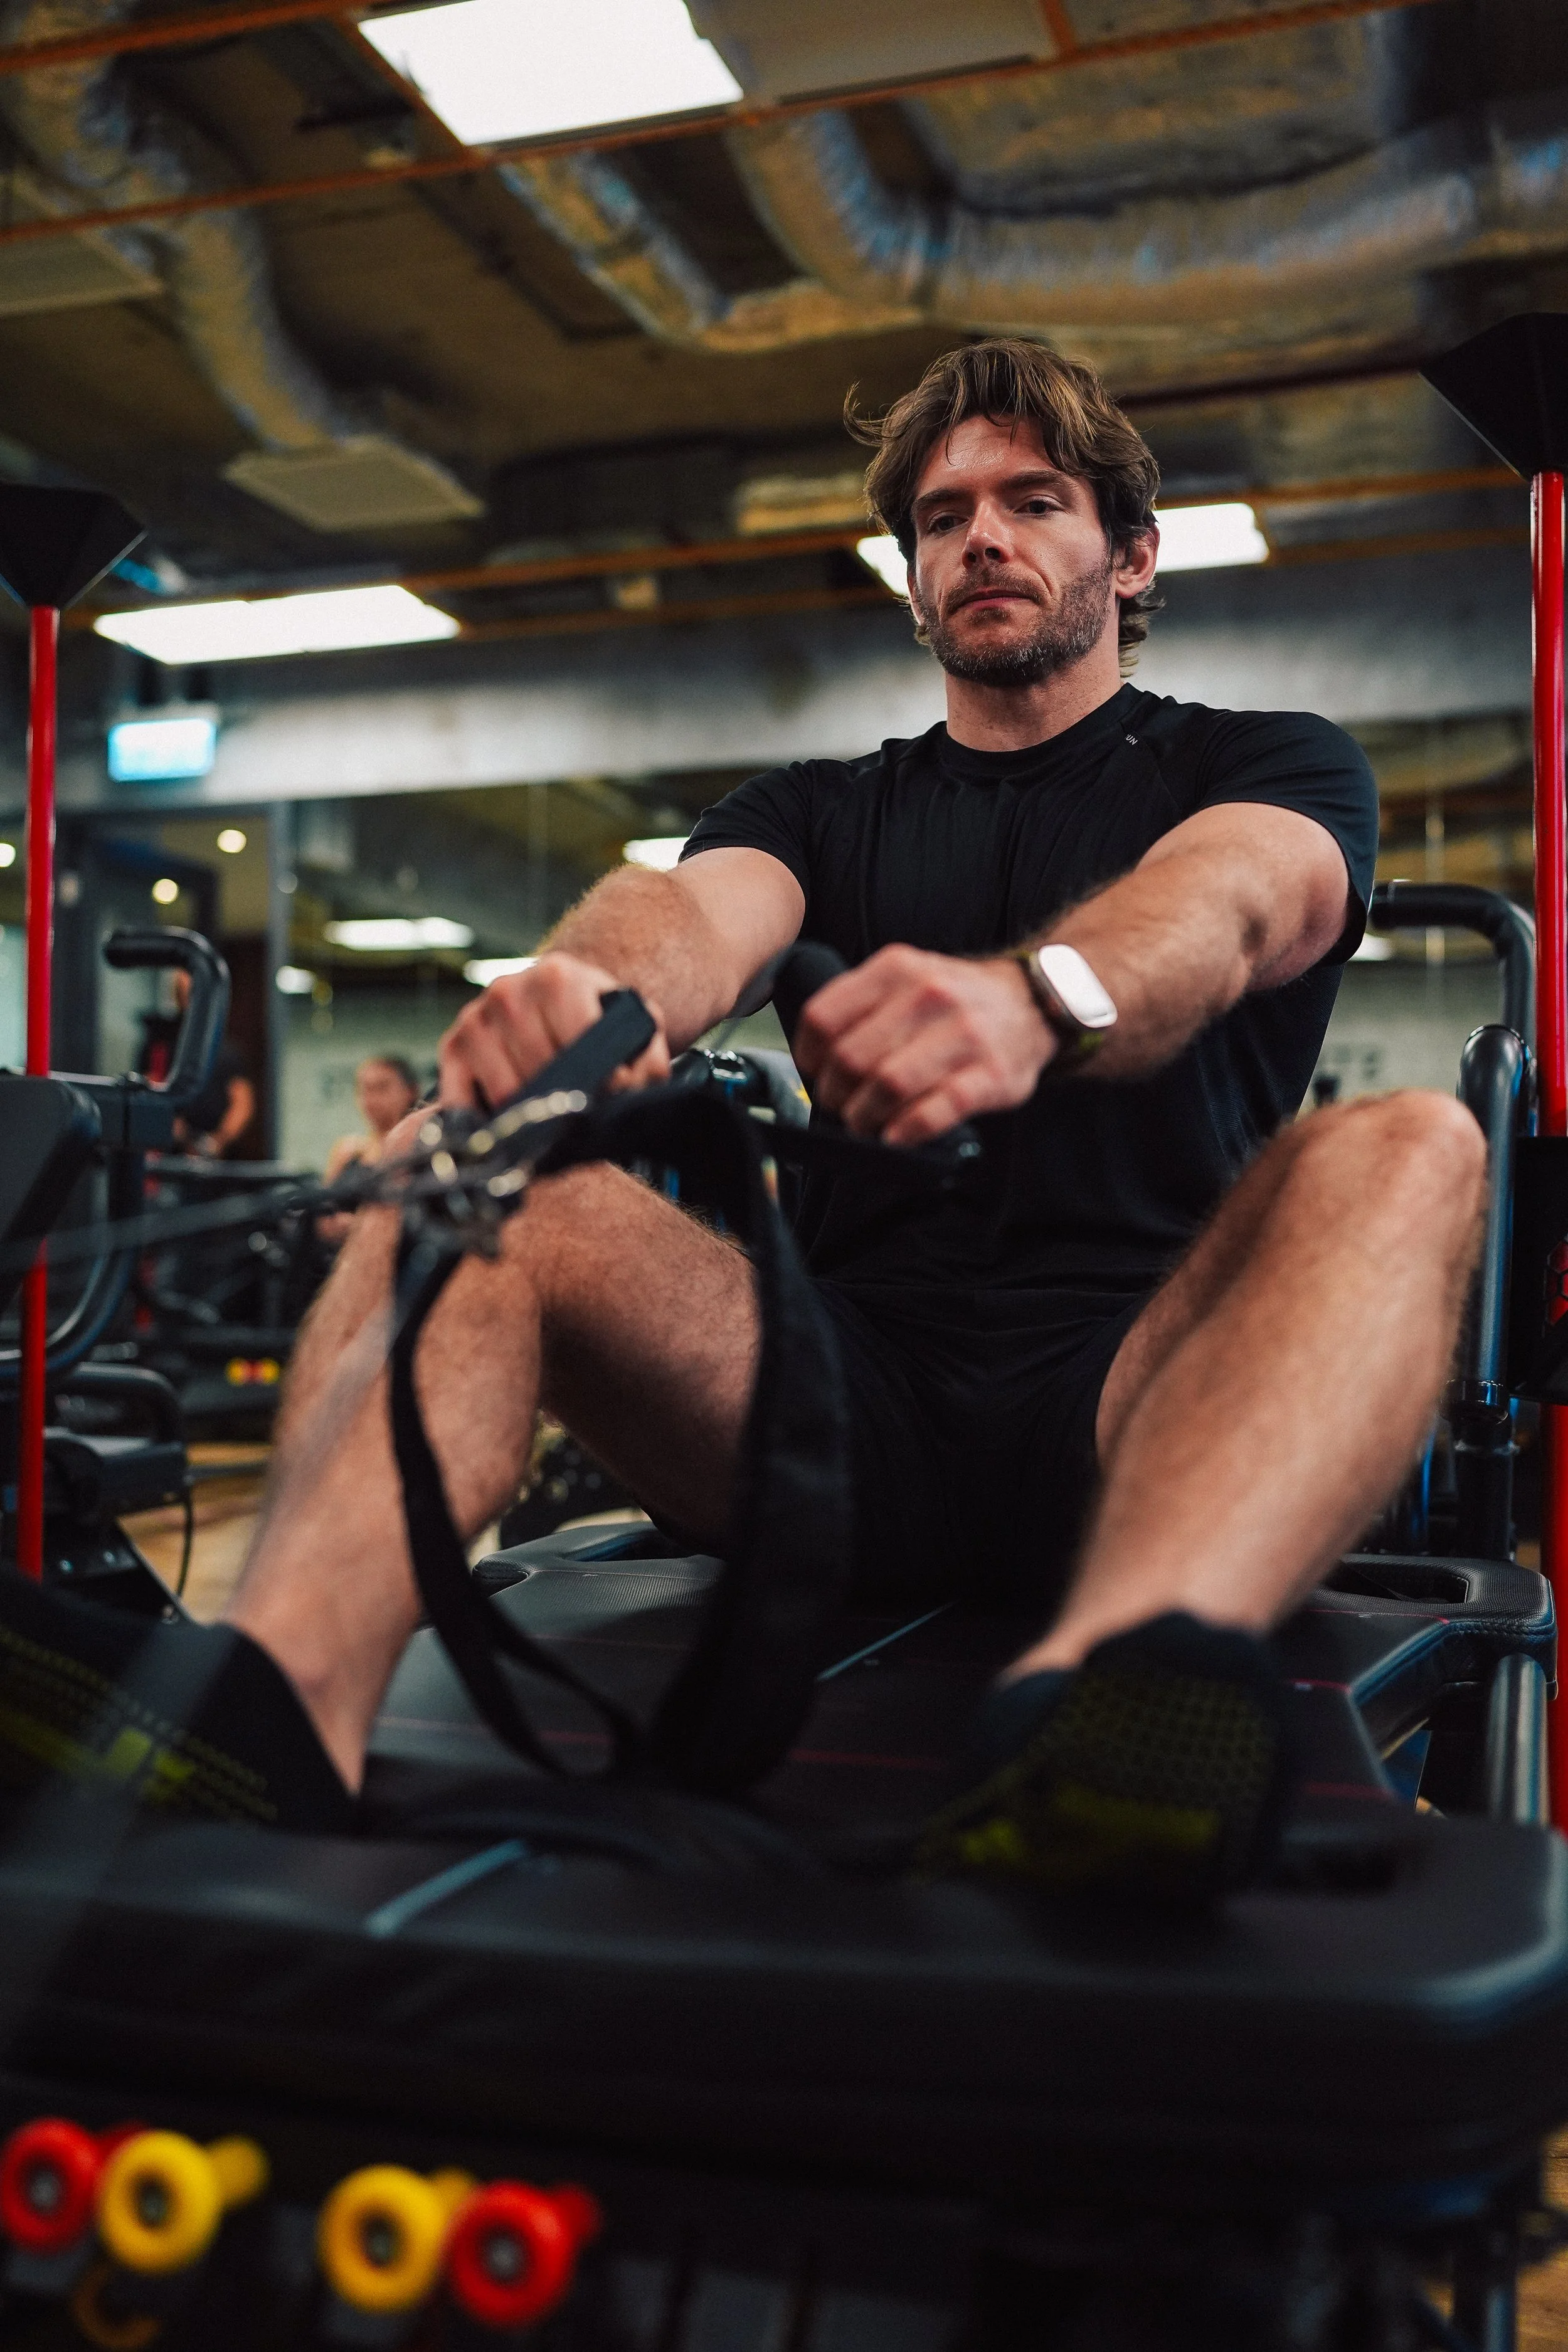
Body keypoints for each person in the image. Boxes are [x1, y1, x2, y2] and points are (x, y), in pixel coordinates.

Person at [0, 340, 1485, 1904]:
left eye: (1032, 501)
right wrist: (582, 998)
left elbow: (1238, 901)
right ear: (911, 577)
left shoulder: (1268, 763)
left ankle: (1112, 1703)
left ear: (1127, 552)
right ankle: (271, 1706)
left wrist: (1038, 997)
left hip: (1145, 1397)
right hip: (843, 1408)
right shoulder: (817, 808)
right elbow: (692, 919)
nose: (980, 535)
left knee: (1412, 1142)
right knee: (489, 1179)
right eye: (941, 514)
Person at [139, 968, 256, 1157]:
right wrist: (168, 1124)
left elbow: (242, 1104)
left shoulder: (228, 1052)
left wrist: (217, 1141)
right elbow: (147, 1091)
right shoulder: (159, 1047)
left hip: (214, 1160)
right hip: (168, 1156)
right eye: (184, 990)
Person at [317, 1056, 421, 1248]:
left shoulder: (418, 1150)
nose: (371, 1099)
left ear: (410, 1091)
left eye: (382, 1088)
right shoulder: (348, 1150)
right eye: (365, 1089)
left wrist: (359, 1226)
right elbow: (322, 1215)